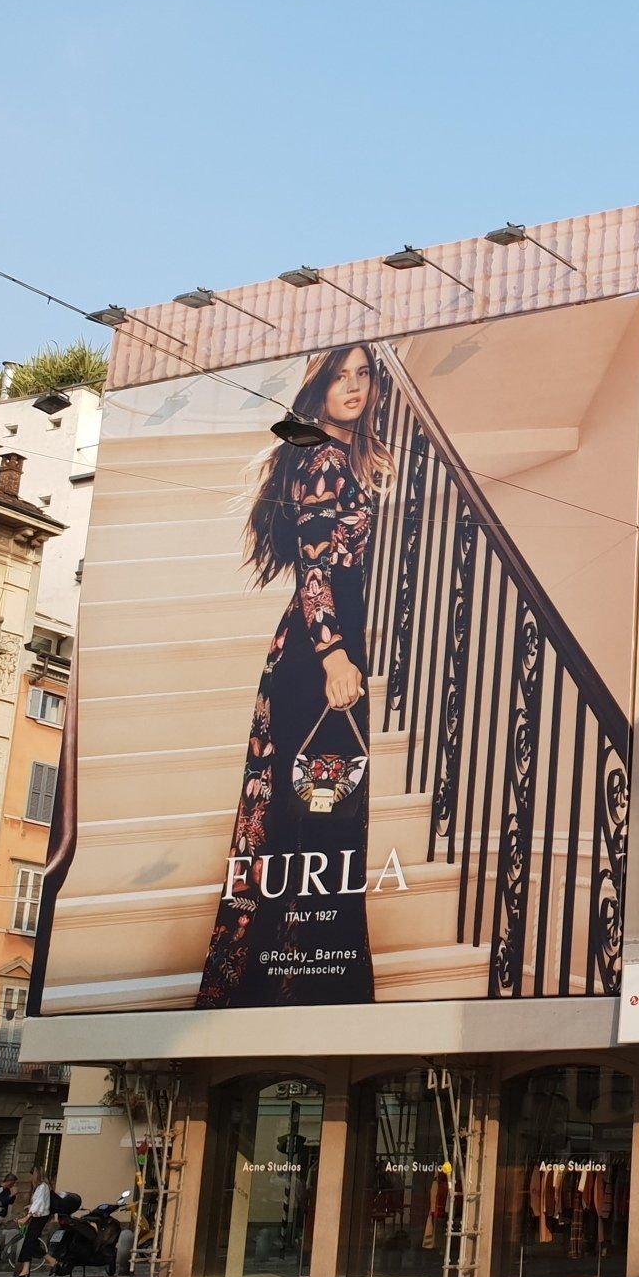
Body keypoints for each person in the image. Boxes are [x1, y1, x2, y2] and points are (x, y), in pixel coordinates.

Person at [196, 345, 393, 1009]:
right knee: (317, 823)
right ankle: (294, 988)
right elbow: (315, 571)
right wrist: (337, 656)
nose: (354, 386)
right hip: (318, 662)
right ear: (319, 385)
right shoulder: (325, 460)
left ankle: (281, 986)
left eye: (364, 374)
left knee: (317, 823)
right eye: (341, 375)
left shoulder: (351, 457)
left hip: (322, 653)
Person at [12, 1168, 51, 1277]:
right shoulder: (39, 1187)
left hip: (40, 1217)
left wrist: (27, 1216)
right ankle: (25, 1270)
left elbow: (39, 1204)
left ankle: (51, 1260)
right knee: (29, 1242)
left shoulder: (43, 1187)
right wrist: (29, 1208)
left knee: (30, 1242)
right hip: (36, 1216)